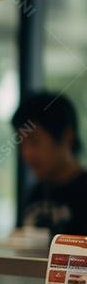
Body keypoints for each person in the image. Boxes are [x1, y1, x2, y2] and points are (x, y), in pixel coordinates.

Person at [12, 92, 87, 236]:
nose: (27, 154)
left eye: (34, 141)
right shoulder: (36, 193)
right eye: (22, 144)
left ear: (67, 136)